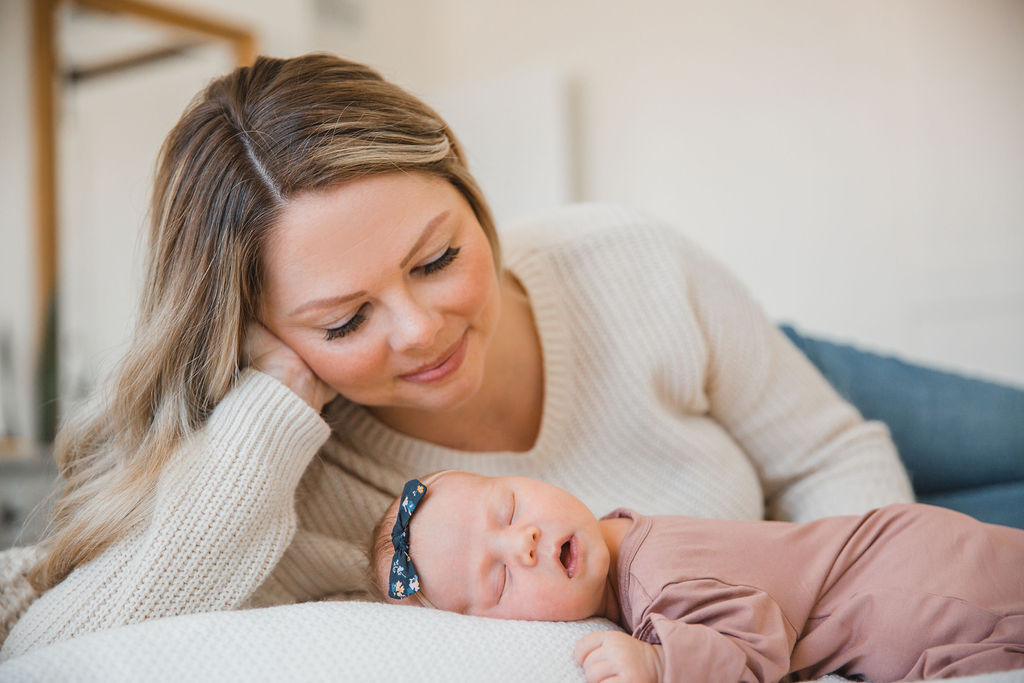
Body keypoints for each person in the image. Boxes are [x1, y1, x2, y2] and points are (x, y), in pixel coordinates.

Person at [1, 51, 1021, 661]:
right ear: (259, 333)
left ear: (470, 187)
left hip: (751, 385)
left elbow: (826, 454)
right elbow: (55, 648)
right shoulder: (290, 486)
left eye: (439, 257)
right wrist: (273, 402)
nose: (422, 331)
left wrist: (845, 604)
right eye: (344, 320)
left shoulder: (620, 257)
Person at [370, 472, 1024, 683]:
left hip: (933, 593)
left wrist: (660, 665)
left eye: (509, 508)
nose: (526, 540)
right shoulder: (624, 535)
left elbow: (757, 640)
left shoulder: (656, 579)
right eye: (499, 576)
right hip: (923, 559)